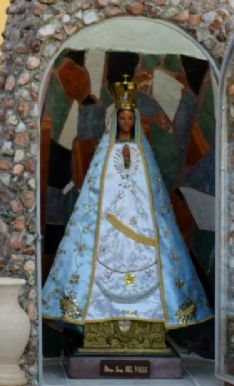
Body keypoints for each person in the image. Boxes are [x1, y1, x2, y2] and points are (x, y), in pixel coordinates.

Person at [41, 75, 211, 351]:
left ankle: (149, 320)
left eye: (131, 119)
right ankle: (98, 319)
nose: (126, 123)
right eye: (122, 118)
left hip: (141, 228)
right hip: (109, 227)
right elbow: (97, 189)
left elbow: (151, 193)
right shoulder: (106, 153)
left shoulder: (143, 153)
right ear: (115, 120)